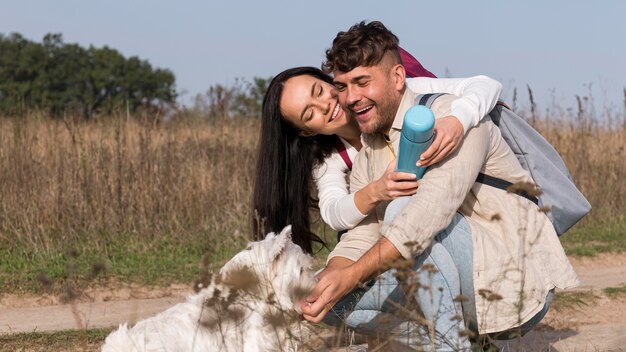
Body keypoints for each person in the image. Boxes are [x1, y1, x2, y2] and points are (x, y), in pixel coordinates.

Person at [299, 21, 579, 350]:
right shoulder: (368, 151)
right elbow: (362, 232)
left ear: (398, 78)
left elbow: (424, 217)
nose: (350, 98)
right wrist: (333, 274)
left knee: (404, 212)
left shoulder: (451, 120)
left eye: (362, 82)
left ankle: (451, 343)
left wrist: (353, 274)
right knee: (324, 302)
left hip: (513, 284)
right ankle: (454, 341)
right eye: (342, 86)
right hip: (455, 283)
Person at [252, 57, 503, 255]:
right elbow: (333, 212)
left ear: (330, 81)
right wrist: (377, 191)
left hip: (462, 206)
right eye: (309, 114)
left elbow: (486, 84)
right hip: (404, 228)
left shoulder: (401, 93)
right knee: (358, 231)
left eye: (319, 91)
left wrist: (458, 120)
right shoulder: (332, 157)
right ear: (307, 132)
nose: (325, 105)